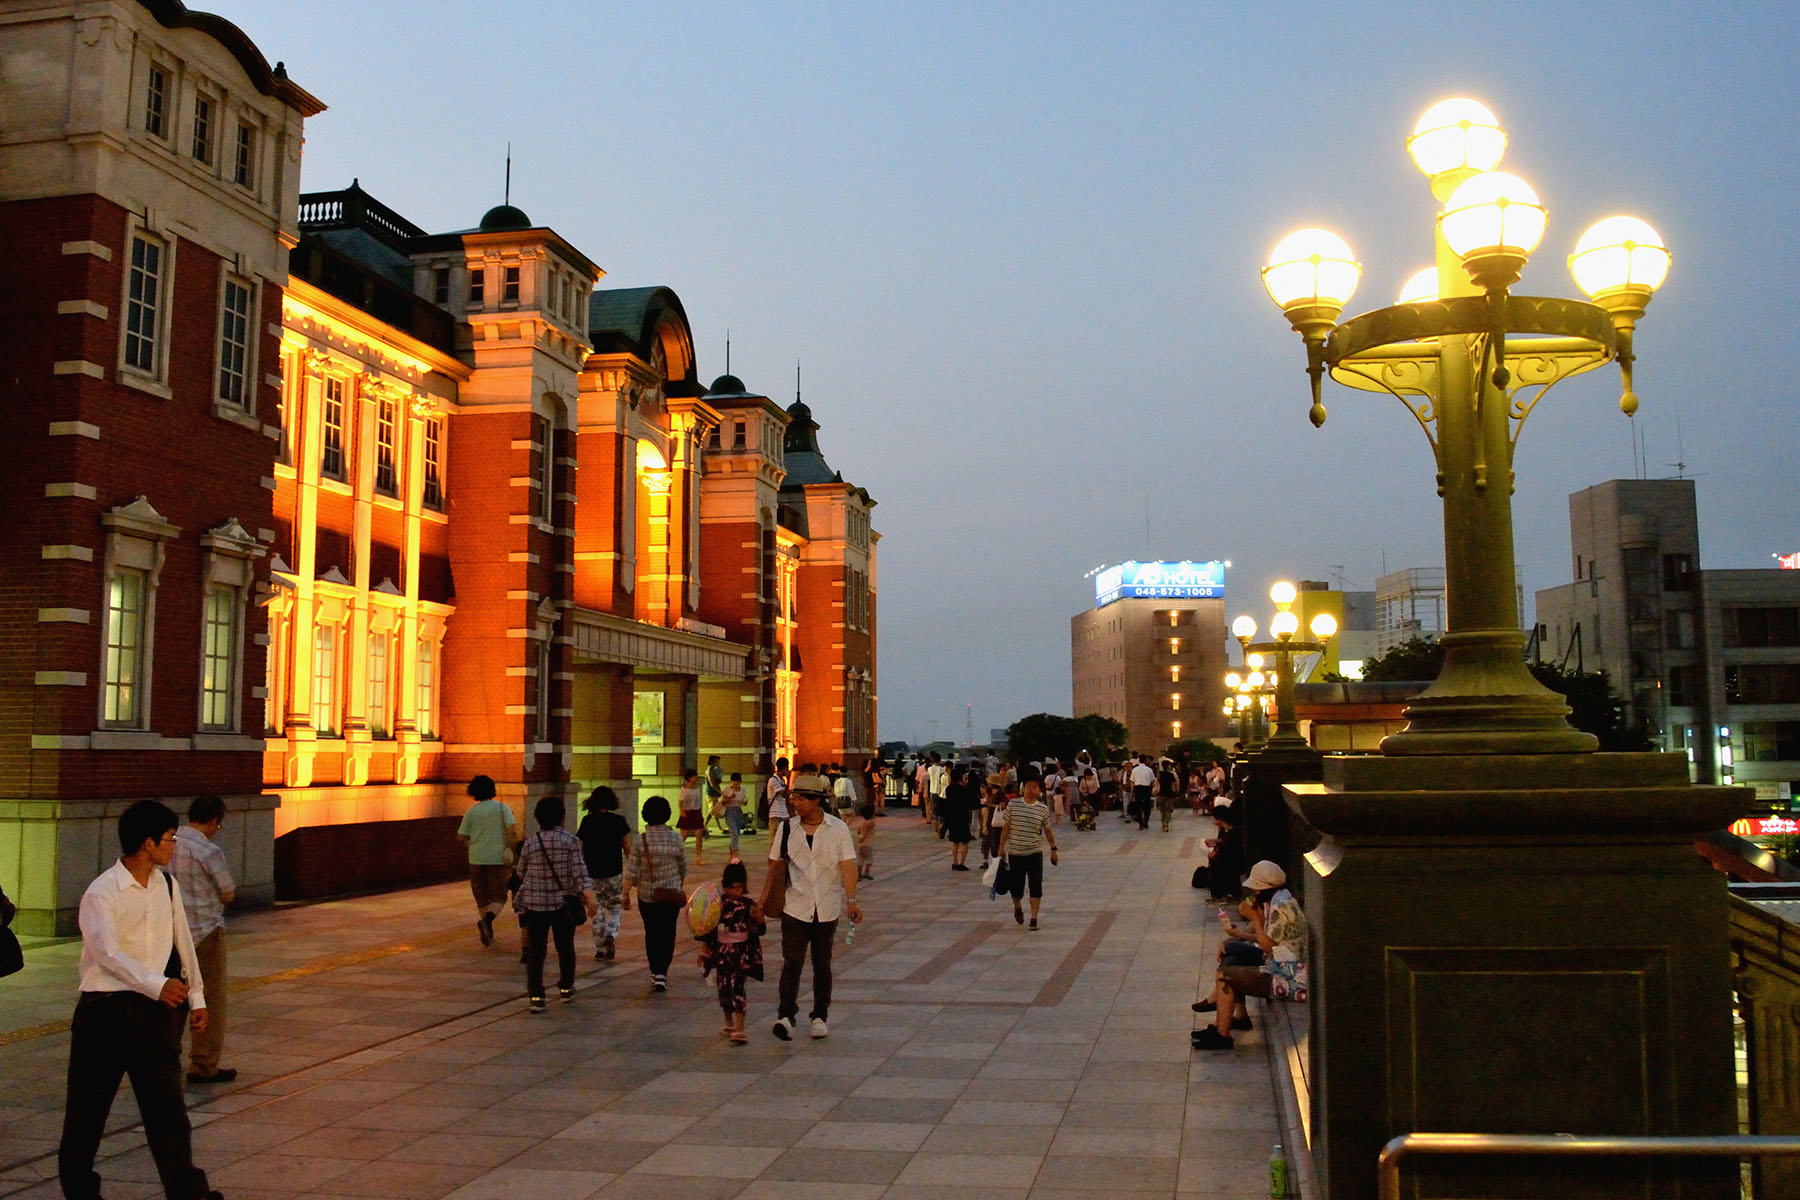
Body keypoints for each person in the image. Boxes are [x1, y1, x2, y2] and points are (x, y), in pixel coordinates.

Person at [58, 800, 222, 1200]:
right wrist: (155, 984)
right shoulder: (103, 892)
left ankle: (187, 1191)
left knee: (168, 1112)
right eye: (169, 838)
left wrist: (197, 997)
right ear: (147, 843)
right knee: (88, 1113)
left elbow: (183, 941)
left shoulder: (166, 884)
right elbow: (107, 954)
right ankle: (81, 1191)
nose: (174, 845)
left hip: (154, 1016)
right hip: (106, 1015)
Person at [767, 779, 862, 1040]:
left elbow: (848, 865)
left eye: (800, 798)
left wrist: (851, 900)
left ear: (816, 800)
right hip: (794, 905)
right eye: (794, 798)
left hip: (826, 906)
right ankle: (786, 1016)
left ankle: (819, 1015)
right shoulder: (787, 828)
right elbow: (774, 864)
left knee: (822, 964)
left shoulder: (838, 829)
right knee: (792, 962)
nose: (794, 803)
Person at [1193, 861, 1307, 1049]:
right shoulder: (1281, 901)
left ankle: (1222, 1032)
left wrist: (1255, 918)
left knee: (1225, 974)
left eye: (1256, 889)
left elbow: (1268, 946)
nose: (1254, 893)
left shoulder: (1281, 909)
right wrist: (1238, 935)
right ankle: (1231, 1018)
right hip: (1281, 964)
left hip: (1287, 975)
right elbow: (1267, 940)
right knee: (1230, 954)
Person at [170, 796, 235, 1084]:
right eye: (217, 825)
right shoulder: (208, 851)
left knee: (172, 996)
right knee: (210, 998)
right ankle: (203, 1064)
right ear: (212, 821)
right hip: (205, 931)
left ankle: (166, 1060)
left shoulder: (167, 843)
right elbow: (228, 891)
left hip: (170, 933)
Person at [512, 795, 596, 1012]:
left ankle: (536, 996)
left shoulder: (531, 842)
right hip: (562, 904)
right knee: (565, 947)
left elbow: (520, 872)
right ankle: (566, 987)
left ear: (538, 818)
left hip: (535, 904)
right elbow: (580, 873)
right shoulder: (570, 842)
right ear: (562, 817)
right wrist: (589, 897)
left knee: (536, 951)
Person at [624, 795, 687, 992]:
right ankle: (663, 972)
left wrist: (625, 894)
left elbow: (632, 870)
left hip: (648, 896)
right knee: (668, 932)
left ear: (646, 815)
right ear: (667, 815)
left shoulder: (640, 840)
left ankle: (655, 969)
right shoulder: (676, 837)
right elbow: (683, 867)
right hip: (671, 895)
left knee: (652, 932)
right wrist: (677, 884)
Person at [698, 861, 764, 1044]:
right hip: (722, 951)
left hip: (741, 952)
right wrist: (705, 949)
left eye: (738, 888)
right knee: (723, 986)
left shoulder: (748, 905)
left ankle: (740, 1026)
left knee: (738, 987)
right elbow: (709, 929)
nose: (734, 892)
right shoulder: (718, 905)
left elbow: (758, 928)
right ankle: (728, 1020)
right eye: (730, 888)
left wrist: (759, 918)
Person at [457, 775, 519, 947]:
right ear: (492, 789)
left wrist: (474, 845)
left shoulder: (471, 811)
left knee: (481, 896)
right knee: (499, 896)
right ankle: (487, 921)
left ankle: (487, 926)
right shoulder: (502, 808)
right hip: (498, 859)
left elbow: (461, 836)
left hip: (476, 858)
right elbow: (512, 832)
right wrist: (512, 852)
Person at [575, 786, 631, 960]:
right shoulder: (619, 821)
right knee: (614, 906)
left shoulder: (587, 821)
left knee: (596, 909)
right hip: (614, 871)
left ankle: (600, 947)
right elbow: (627, 847)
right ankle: (611, 934)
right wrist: (633, 866)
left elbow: (579, 848)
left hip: (592, 872)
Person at [999, 775, 1059, 930]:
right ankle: (1017, 906)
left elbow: (1048, 831)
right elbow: (1006, 828)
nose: (1031, 790)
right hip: (1016, 853)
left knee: (1036, 885)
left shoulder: (1042, 809)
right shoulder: (1013, 804)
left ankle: (1034, 918)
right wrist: (1001, 848)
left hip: (1035, 852)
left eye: (1035, 787)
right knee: (1016, 887)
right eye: (1028, 786)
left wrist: (1053, 849)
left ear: (1039, 790)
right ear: (1023, 788)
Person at [939, 765, 977, 870]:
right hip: (962, 816)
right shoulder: (964, 789)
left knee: (955, 840)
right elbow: (971, 802)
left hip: (951, 816)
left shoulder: (949, 789)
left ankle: (954, 862)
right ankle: (962, 863)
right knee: (965, 841)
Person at [676, 767, 707, 866]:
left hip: (696, 812)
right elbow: (680, 801)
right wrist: (681, 811)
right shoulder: (684, 789)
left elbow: (699, 801)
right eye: (694, 776)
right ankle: (677, 854)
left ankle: (698, 856)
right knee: (684, 835)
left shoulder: (697, 788)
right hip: (687, 812)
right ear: (689, 778)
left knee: (699, 834)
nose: (696, 778)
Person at [720, 772, 748, 858]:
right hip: (730, 811)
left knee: (736, 834)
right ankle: (735, 854)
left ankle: (732, 853)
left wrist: (744, 801)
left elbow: (744, 802)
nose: (737, 783)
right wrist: (731, 797)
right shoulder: (727, 789)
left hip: (738, 811)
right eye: (735, 781)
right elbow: (723, 802)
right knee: (734, 833)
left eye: (738, 781)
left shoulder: (742, 790)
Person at [764, 756, 791, 832]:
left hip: (784, 814)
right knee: (775, 839)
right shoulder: (773, 780)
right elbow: (784, 794)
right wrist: (789, 779)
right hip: (775, 814)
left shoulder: (782, 780)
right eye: (787, 768)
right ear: (783, 768)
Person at [1129, 754, 1156, 830]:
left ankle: (1140, 823)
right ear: (1145, 760)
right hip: (1146, 788)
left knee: (1138, 806)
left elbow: (1132, 781)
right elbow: (1153, 781)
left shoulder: (1135, 770)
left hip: (1138, 788)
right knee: (1147, 806)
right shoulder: (1149, 770)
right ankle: (1146, 822)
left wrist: (1132, 790)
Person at [1156, 759, 1180, 832]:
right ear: (1168, 766)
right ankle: (1166, 823)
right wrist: (1176, 791)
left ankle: (1164, 824)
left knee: (1162, 811)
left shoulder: (1160, 774)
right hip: (1169, 794)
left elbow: (1157, 780)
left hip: (1161, 793)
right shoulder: (1171, 774)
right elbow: (1174, 784)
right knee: (1168, 810)